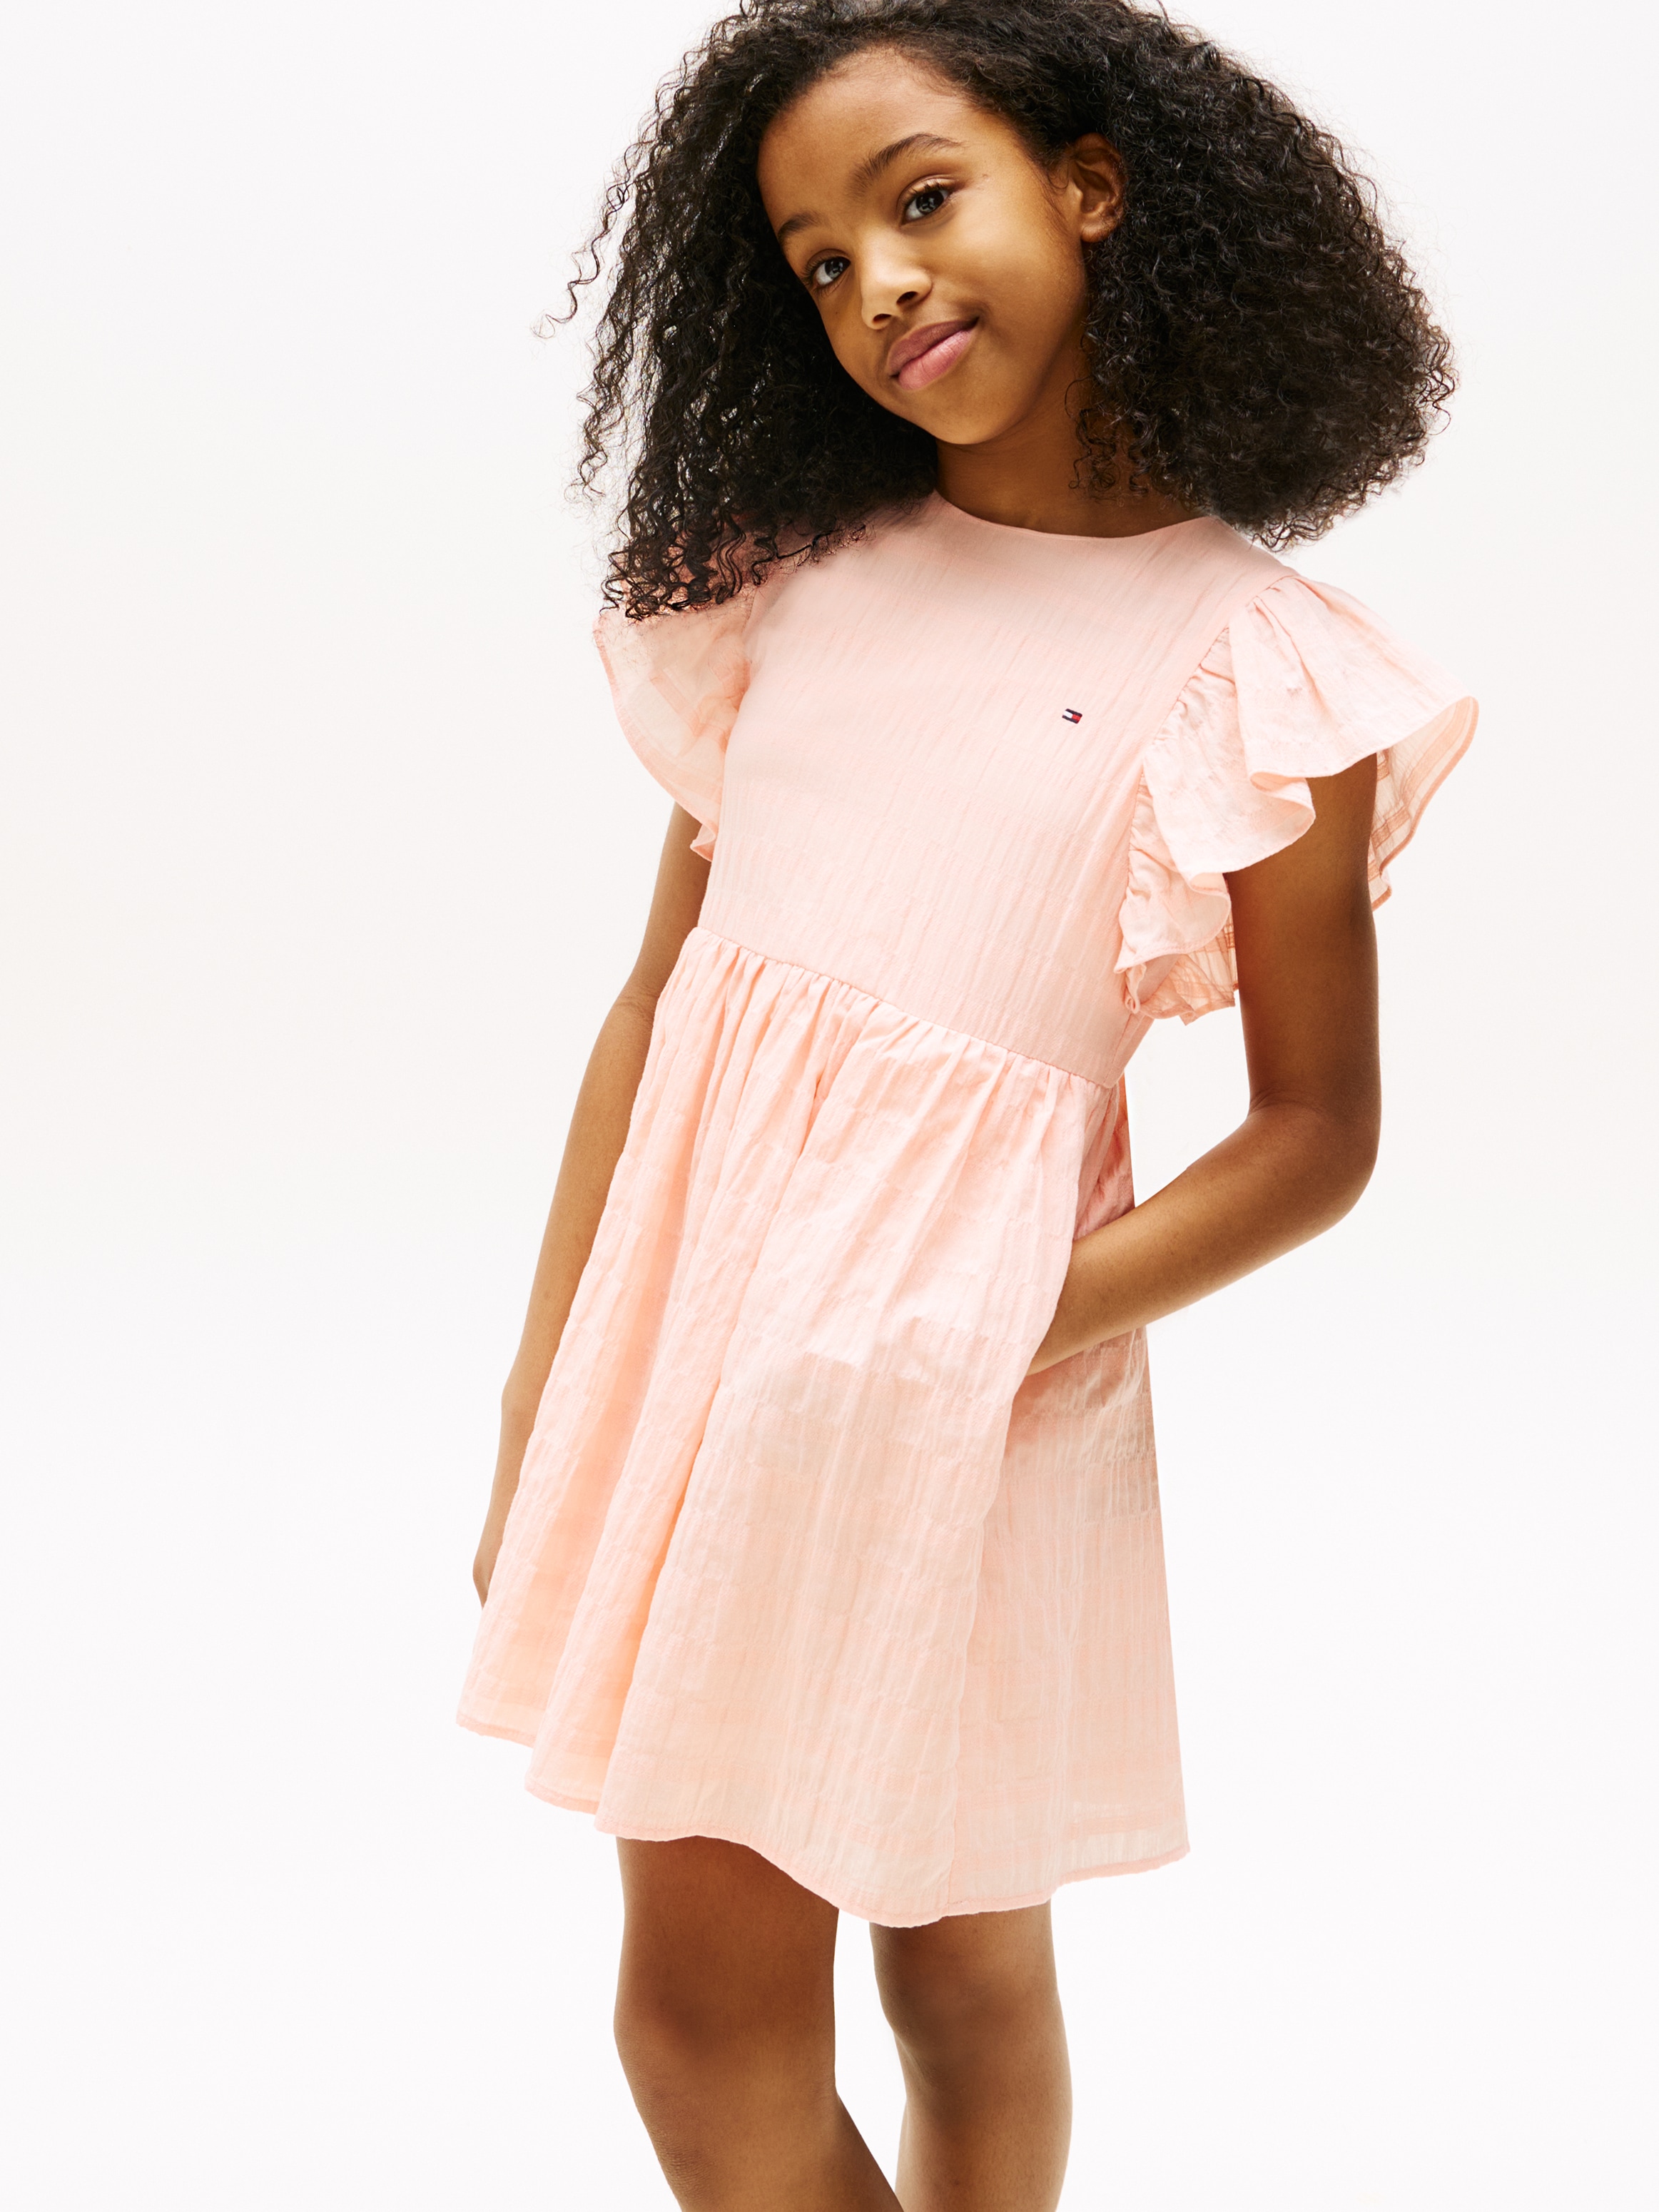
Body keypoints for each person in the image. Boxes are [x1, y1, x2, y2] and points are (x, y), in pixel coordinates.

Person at [459, 3, 1476, 2203]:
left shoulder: (1251, 664)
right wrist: (548, 1388)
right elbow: (657, 1003)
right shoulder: (790, 584)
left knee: (936, 1976)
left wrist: (990, 1322)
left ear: (1092, 186)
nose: (879, 282)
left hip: (965, 1389)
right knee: (776, 1992)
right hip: (704, 1374)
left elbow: (1317, 1134)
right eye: (819, 261)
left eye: (922, 199)